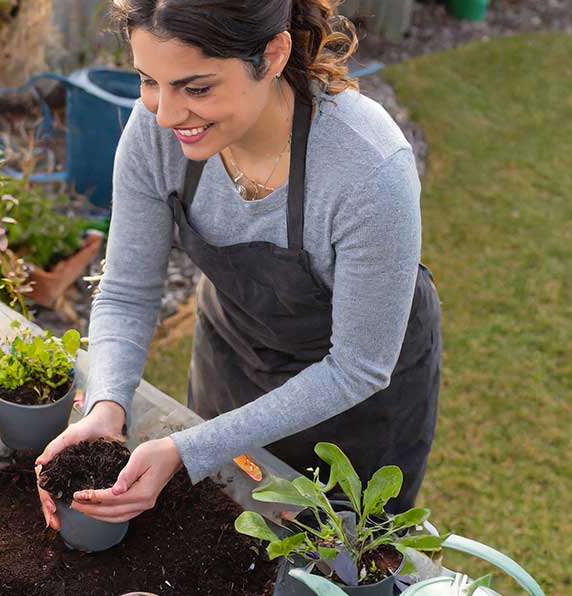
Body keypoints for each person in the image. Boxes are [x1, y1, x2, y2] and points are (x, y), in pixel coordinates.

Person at [37, 0, 441, 527]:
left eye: (197, 88)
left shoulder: (368, 171)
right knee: (223, 524)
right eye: (148, 80)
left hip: (355, 405)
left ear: (272, 55)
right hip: (233, 353)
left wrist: (190, 448)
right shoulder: (157, 132)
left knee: (334, 559)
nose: (165, 114)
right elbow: (127, 289)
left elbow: (357, 367)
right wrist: (107, 406)